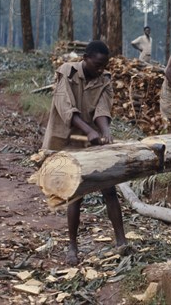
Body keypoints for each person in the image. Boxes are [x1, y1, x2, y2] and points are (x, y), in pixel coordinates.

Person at [41, 41, 127, 266]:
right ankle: (72, 247)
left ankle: (121, 242)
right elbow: (66, 108)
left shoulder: (105, 79)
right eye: (97, 65)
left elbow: (103, 109)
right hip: (69, 137)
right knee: (75, 193)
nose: (100, 69)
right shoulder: (66, 73)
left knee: (109, 187)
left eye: (103, 66)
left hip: (93, 138)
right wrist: (89, 130)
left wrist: (105, 132)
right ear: (85, 58)